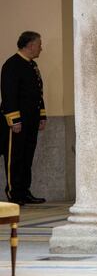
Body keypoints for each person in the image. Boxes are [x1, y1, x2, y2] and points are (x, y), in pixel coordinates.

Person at [0, 31, 47, 206]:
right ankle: (14, 193)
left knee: (27, 157)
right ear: (30, 45)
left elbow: (37, 93)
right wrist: (14, 120)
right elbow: (8, 94)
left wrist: (42, 115)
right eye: (39, 44)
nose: (41, 48)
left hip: (31, 120)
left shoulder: (32, 65)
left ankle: (24, 191)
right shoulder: (12, 65)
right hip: (17, 122)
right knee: (15, 157)